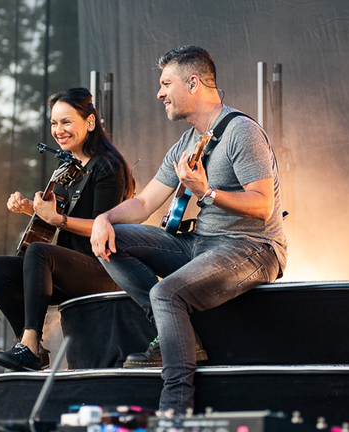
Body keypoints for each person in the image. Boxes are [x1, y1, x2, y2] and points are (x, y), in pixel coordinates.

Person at [90, 45, 287, 414]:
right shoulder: (185, 143)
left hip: (253, 247)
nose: (160, 93)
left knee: (166, 293)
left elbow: (263, 206)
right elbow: (145, 204)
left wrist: (206, 192)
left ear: (193, 83)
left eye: (166, 83)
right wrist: (105, 219)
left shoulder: (241, 131)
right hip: (201, 242)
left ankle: (175, 409)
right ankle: (176, 334)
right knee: (109, 241)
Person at [0, 87, 135, 371]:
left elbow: (101, 225)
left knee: (41, 252)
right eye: (54, 123)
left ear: (90, 123)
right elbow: (59, 213)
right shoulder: (66, 168)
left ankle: (29, 345)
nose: (59, 130)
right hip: (69, 270)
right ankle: (30, 345)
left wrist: (58, 220)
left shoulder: (107, 167)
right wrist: (32, 208)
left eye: (66, 122)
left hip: (104, 270)